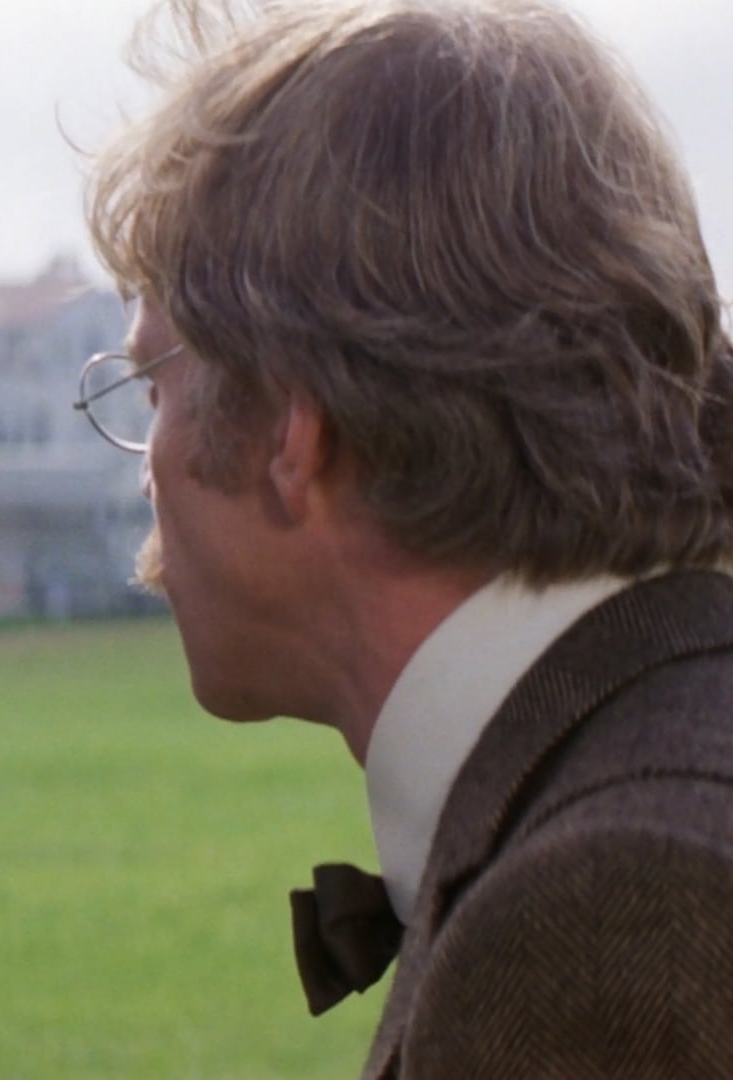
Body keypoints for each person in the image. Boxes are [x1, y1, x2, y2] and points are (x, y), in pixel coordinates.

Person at [79, 0, 733, 1076]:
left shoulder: (612, 905)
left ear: (293, 431)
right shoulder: (643, 766)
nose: (144, 466)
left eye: (153, 385)